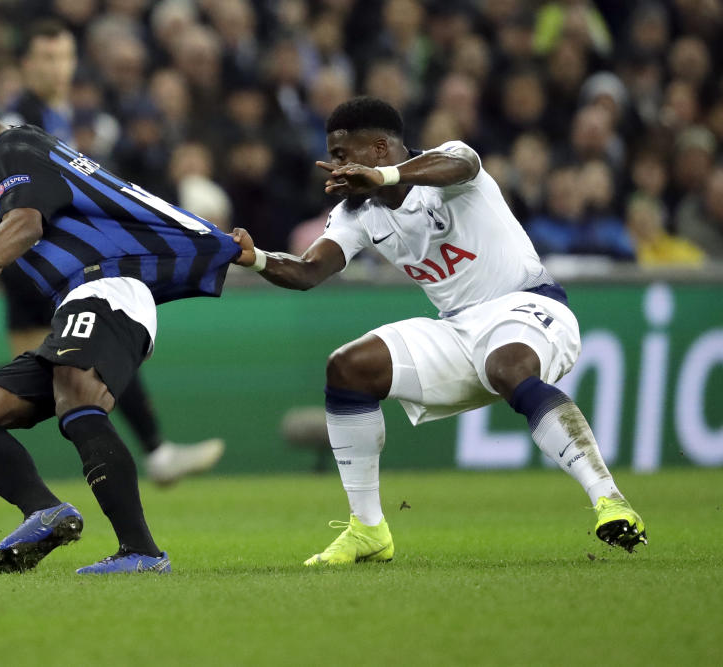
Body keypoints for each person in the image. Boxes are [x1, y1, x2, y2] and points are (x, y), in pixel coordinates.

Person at [229, 96, 647, 566]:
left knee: (507, 366)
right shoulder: (356, 213)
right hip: (458, 331)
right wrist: (257, 260)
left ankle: (610, 500)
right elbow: (307, 271)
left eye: (344, 155)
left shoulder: (448, 165)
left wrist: (386, 179)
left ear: (381, 149)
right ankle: (368, 529)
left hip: (528, 305)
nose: (334, 167)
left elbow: (463, 163)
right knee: (348, 368)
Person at [0, 72, 241, 575]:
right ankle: (45, 511)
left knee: (78, 394)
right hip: (81, 300)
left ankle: (142, 552)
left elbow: (26, 223)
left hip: (109, 289)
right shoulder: (13, 158)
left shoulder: (11, 149)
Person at [0, 19, 224, 488]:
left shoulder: (59, 115)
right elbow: (6, 188)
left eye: (65, 57)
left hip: (24, 250)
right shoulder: (7, 120)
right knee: (98, 342)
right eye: (47, 58)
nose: (58, 68)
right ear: (27, 63)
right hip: (34, 253)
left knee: (46, 359)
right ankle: (155, 452)